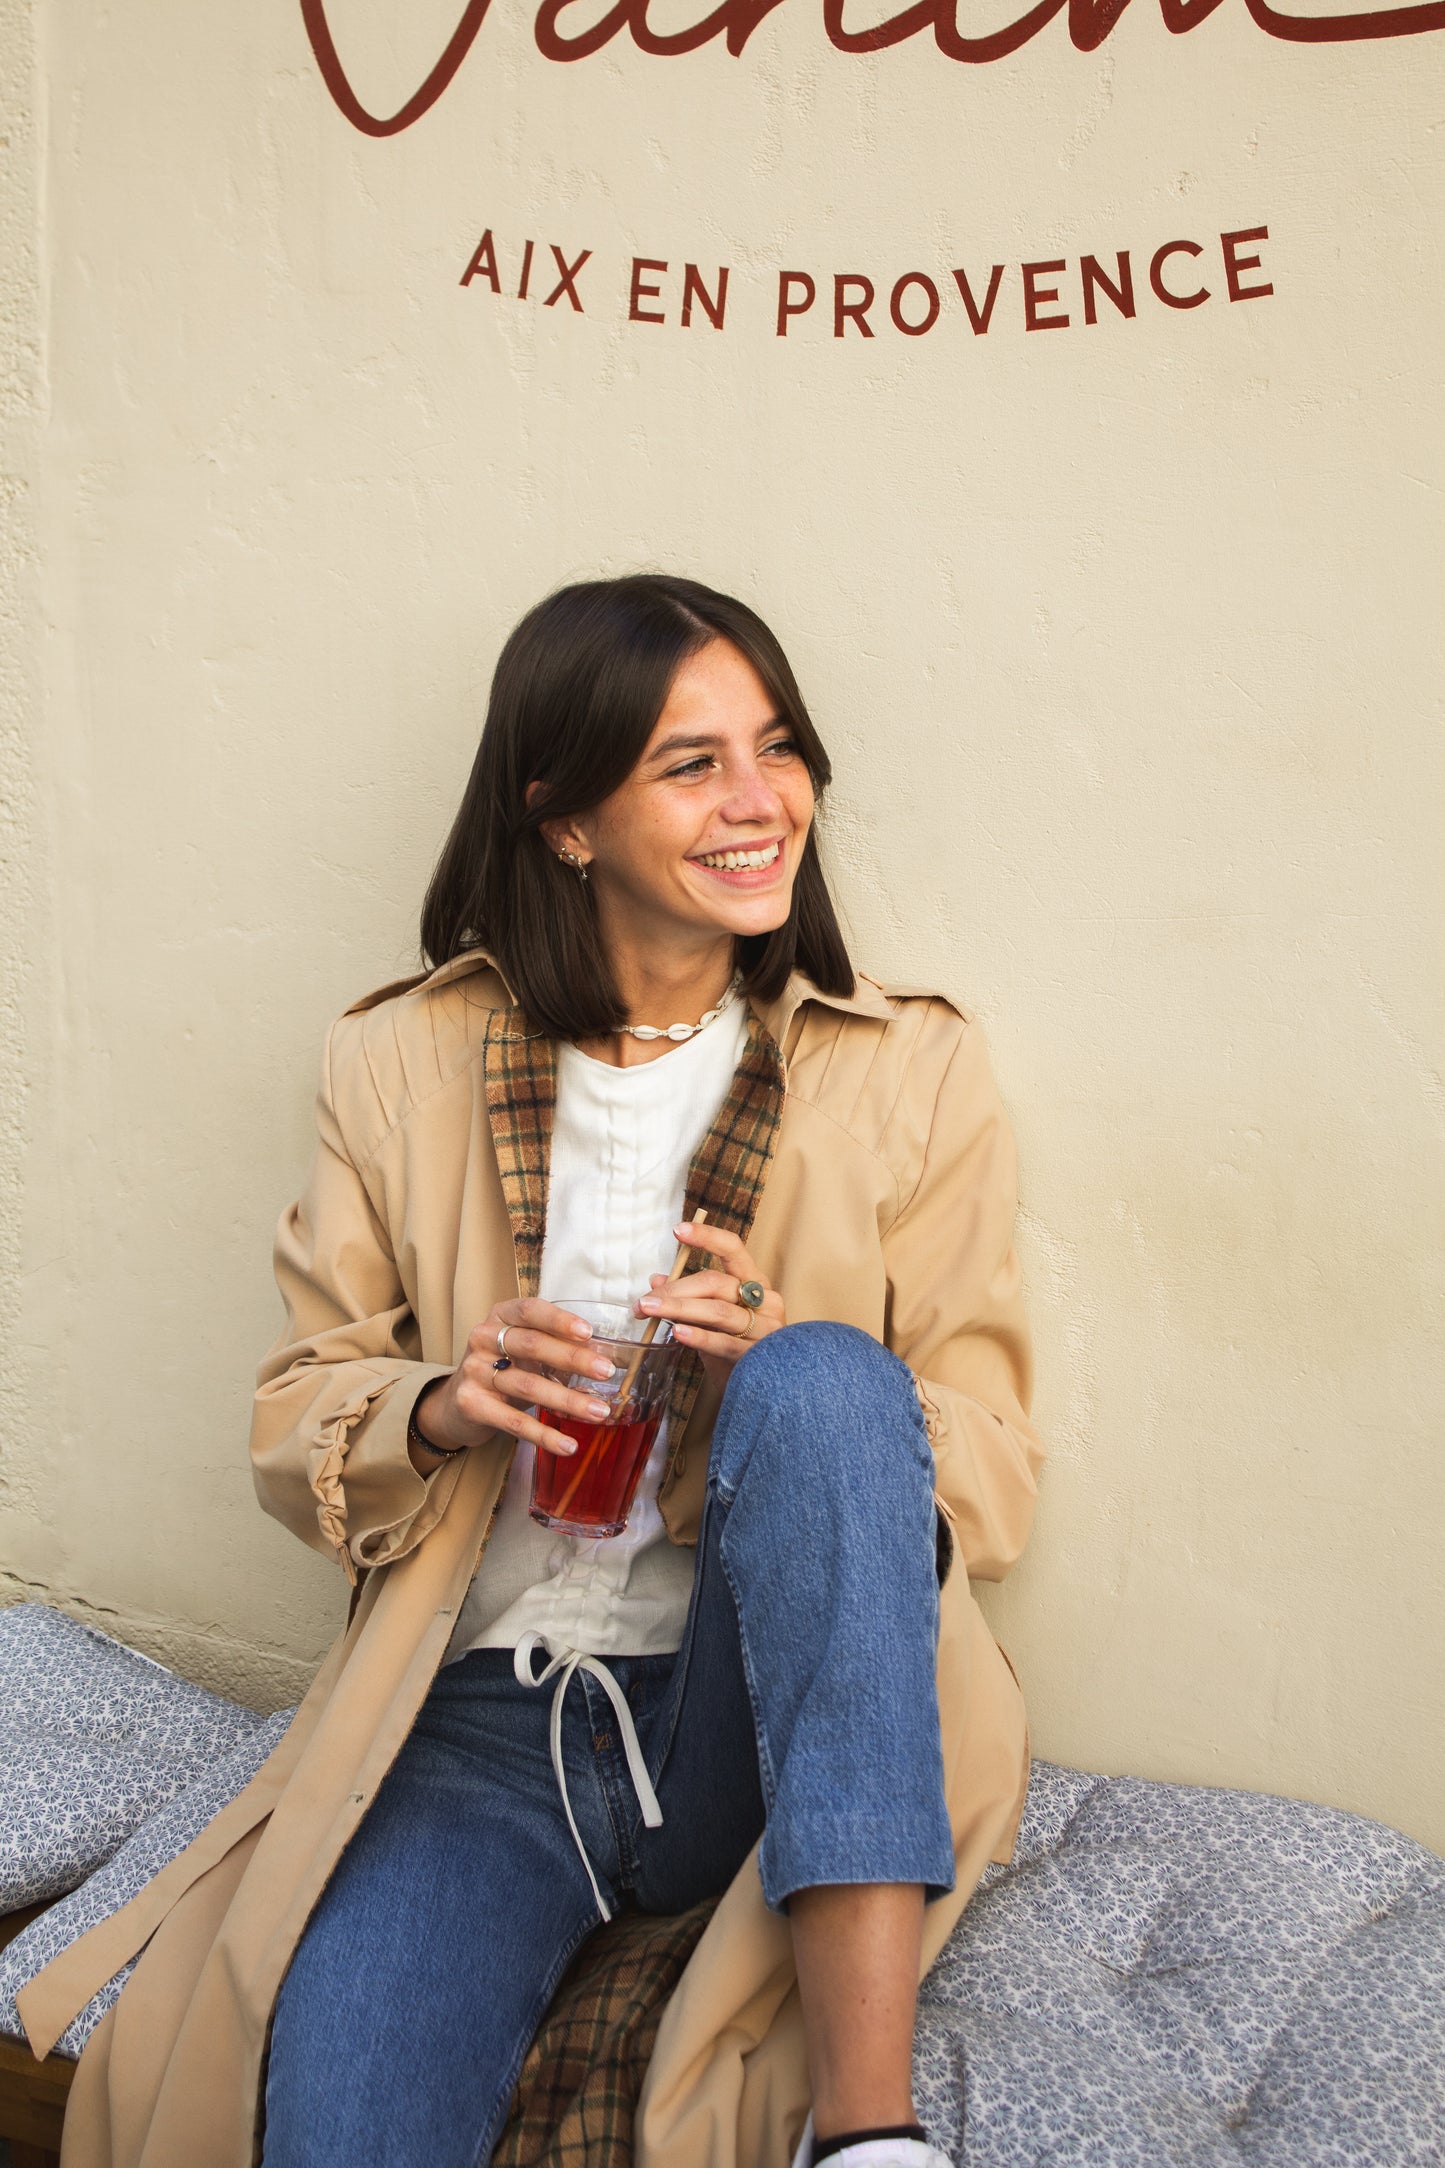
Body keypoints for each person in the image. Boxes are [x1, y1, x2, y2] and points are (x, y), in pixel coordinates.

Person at [24, 574, 1043, 2168]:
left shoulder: (904, 1072)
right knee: (341, 2120)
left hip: (747, 1719)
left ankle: (870, 2136)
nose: (759, 800)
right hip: (480, 1732)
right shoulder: (398, 1059)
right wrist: (437, 1405)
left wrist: (792, 1385)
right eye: (690, 763)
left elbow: (989, 1473)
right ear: (563, 817)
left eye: (775, 749)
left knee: (827, 1379)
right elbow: (296, 1423)